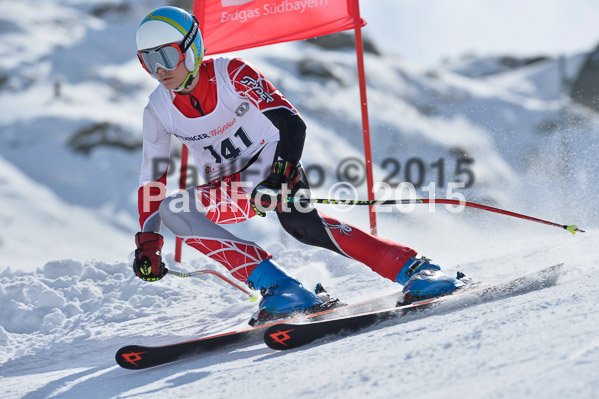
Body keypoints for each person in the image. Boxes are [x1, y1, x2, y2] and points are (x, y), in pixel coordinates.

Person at [132, 6, 464, 324]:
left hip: (274, 165)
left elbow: (291, 123)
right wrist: (148, 242)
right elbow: (152, 181)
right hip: (230, 187)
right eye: (148, 61)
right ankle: (281, 289)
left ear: (191, 49)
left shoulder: (231, 73)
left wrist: (280, 175)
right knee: (172, 209)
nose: (160, 69)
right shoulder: (158, 110)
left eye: (166, 55)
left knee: (303, 227)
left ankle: (417, 269)